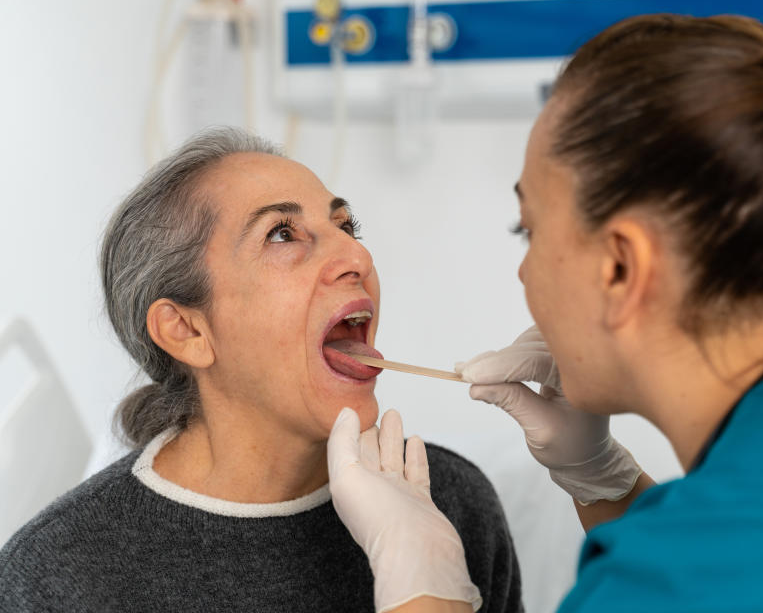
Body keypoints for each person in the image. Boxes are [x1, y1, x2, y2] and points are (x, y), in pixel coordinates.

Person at [322, 10, 763, 612]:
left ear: (623, 267)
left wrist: (425, 584)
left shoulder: (670, 580)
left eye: (529, 231)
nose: (524, 272)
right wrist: (606, 482)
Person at [0, 128, 522, 613]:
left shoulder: (447, 507)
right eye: (281, 234)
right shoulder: (56, 579)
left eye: (346, 225)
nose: (356, 254)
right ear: (187, 330)